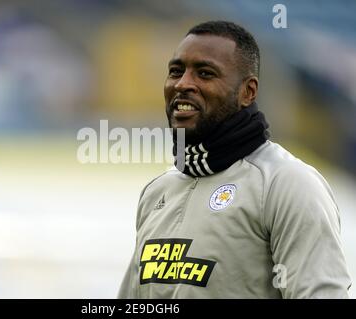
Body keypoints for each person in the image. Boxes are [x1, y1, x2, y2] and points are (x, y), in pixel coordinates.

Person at [118, 21, 351, 298]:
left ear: (247, 92)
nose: (183, 84)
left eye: (204, 74)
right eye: (176, 72)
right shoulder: (158, 191)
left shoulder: (287, 184)